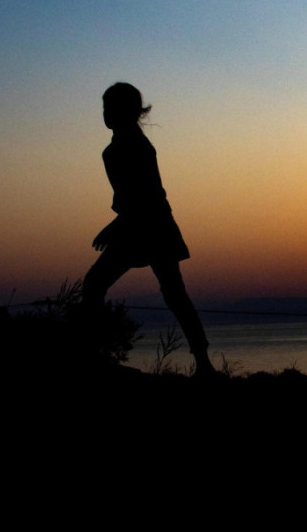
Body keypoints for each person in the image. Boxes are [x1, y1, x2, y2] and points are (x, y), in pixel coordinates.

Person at [82, 82, 216, 377]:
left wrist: (114, 227)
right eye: (105, 107)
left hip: (151, 226)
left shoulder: (135, 146)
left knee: (171, 294)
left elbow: (145, 196)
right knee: (101, 286)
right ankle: (93, 353)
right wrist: (118, 224)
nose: (106, 113)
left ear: (129, 111)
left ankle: (204, 364)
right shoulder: (116, 149)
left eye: (111, 107)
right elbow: (133, 198)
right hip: (139, 226)